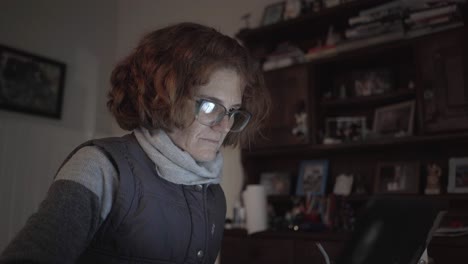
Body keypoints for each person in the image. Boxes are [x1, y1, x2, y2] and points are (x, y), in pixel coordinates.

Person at [0, 22, 270, 264]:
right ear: (164, 98)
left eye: (233, 111)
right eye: (210, 105)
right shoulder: (100, 167)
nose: (224, 125)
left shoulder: (213, 195)